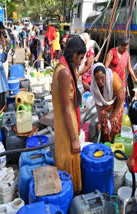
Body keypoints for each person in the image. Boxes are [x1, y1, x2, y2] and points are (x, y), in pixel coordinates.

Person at [52, 37, 86, 194]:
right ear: (73, 54)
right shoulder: (64, 72)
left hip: (64, 124)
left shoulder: (63, 67)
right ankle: (70, 196)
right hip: (67, 128)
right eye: (79, 57)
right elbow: (66, 109)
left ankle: (68, 194)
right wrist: (74, 140)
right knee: (69, 163)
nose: (80, 61)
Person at [90, 63, 124, 143]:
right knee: (103, 123)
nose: (100, 82)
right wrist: (99, 120)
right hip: (105, 104)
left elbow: (121, 98)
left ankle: (114, 144)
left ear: (105, 75)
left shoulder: (113, 79)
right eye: (97, 79)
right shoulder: (94, 86)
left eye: (102, 78)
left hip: (117, 101)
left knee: (114, 124)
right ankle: (106, 143)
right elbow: (98, 104)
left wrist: (114, 114)